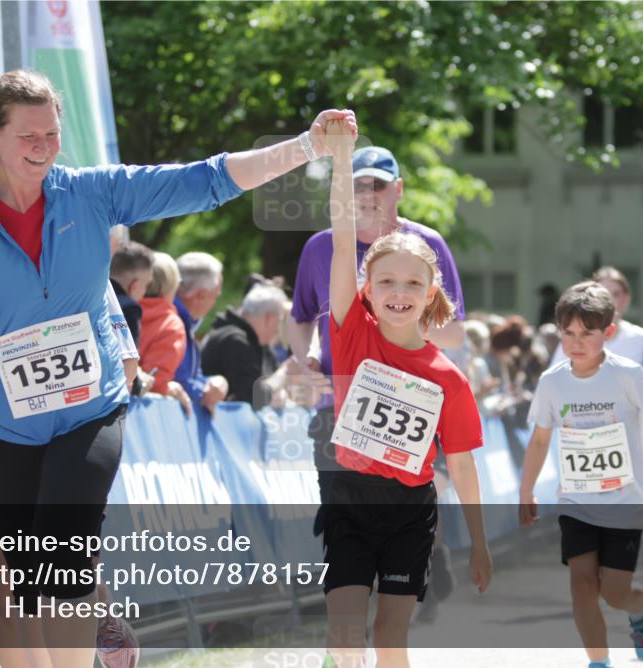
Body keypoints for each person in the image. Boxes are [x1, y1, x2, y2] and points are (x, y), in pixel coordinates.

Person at [0, 69, 355, 665]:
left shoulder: (89, 192)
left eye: (51, 134)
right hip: (2, 424)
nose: (43, 148)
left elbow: (206, 180)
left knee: (65, 552)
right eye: (27, 136)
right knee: (28, 578)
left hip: (88, 409)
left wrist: (308, 146)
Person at [322, 118, 490, 668]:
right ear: (367, 289)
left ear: (431, 294)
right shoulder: (351, 331)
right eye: (387, 282)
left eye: (413, 283)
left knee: (390, 641)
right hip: (348, 499)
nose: (399, 293)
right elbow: (344, 235)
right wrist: (342, 156)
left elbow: (463, 466)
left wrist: (481, 542)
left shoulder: (448, 377)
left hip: (409, 512)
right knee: (345, 637)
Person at [0, 278, 141, 668]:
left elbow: (126, 362)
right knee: (4, 584)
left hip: (63, 448)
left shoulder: (79, 253)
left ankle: (97, 607)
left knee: (62, 571)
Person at [287, 144, 467, 614]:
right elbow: (301, 317)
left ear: (398, 190)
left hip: (412, 401)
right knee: (343, 517)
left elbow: (456, 331)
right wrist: (304, 354)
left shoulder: (427, 244)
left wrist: (394, 327)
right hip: (338, 406)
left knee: (414, 496)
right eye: (358, 184)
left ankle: (423, 563)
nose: (367, 193)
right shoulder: (320, 247)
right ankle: (349, 623)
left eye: (377, 185)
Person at [520, 281, 643, 668]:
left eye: (587, 334)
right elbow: (540, 440)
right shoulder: (552, 381)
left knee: (614, 592)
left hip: (624, 501)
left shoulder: (627, 373)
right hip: (577, 500)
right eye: (569, 333)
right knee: (581, 587)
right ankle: (599, 662)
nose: (576, 343)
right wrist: (527, 490)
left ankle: (640, 606)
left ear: (608, 332)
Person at [550, 267, 643, 390]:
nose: (609, 300)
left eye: (615, 294)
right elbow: (554, 379)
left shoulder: (642, 338)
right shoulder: (572, 338)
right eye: (603, 294)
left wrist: (640, 401)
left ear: (627, 298)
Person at [201, 283, 288, 408]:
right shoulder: (235, 341)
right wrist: (284, 372)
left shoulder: (246, 340)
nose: (278, 330)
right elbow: (251, 398)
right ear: (269, 318)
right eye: (279, 321)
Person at [173, 251, 229, 414]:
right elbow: (179, 380)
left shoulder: (184, 322)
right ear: (202, 295)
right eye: (215, 296)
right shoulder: (174, 321)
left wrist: (212, 383)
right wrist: (206, 391)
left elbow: (190, 377)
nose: (215, 303)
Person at [138, 251, 191, 414]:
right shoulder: (171, 326)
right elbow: (156, 382)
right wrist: (171, 389)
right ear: (172, 286)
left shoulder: (115, 310)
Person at [109, 240, 154, 344]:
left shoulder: (90, 297)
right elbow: (129, 357)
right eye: (146, 285)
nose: (145, 292)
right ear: (134, 286)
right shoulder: (130, 309)